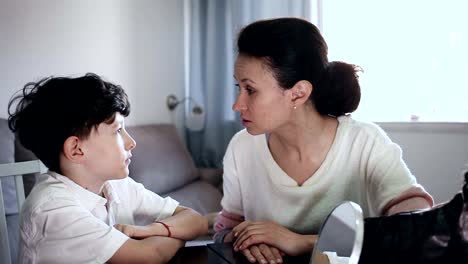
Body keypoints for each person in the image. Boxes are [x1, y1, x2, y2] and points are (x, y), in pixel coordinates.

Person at [213, 17, 434, 264]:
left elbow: (414, 220)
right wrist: (246, 241)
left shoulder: (364, 142)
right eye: (238, 87)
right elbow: (225, 229)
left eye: (250, 90)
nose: (237, 105)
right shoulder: (241, 148)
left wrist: (301, 242)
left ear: (298, 93)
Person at [8, 73, 208, 263]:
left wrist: (152, 231)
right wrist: (178, 233)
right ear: (76, 149)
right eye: (118, 131)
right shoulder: (51, 210)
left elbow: (196, 221)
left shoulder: (115, 185)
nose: (131, 142)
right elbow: (149, 257)